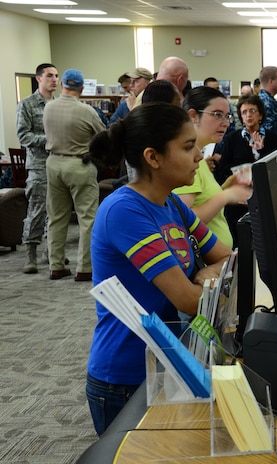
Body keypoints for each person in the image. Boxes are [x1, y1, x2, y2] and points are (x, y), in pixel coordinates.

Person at [86, 102, 233, 436]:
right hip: (127, 377)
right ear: (153, 157)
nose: (199, 155)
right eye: (187, 147)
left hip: (169, 361)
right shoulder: (125, 211)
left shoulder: (172, 205)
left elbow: (228, 259)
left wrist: (202, 276)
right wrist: (206, 281)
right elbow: (188, 301)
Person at [43, 69, 105, 281]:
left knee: (56, 217)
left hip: (53, 163)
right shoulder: (86, 111)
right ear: (81, 88)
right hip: (79, 164)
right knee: (87, 218)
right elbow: (102, 136)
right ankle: (84, 268)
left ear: (62, 85)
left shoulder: (48, 107)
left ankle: (56, 266)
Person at [172, 86, 252, 249]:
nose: (225, 123)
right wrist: (226, 196)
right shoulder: (186, 159)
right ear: (193, 116)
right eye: (217, 115)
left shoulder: (199, 157)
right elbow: (182, 221)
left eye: (227, 116)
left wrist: (226, 187)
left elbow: (203, 200)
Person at [214, 94, 277, 241]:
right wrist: (242, 171)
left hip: (263, 194)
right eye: (244, 112)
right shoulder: (232, 138)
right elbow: (223, 167)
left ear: (260, 115)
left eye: (252, 111)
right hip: (238, 199)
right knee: (240, 238)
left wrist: (260, 152)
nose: (248, 115)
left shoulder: (272, 138)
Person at [16, 63, 58, 274]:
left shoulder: (59, 104)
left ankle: (51, 252)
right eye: (50, 75)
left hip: (59, 164)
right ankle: (30, 254)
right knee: (37, 211)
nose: (54, 79)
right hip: (39, 166)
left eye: (57, 76)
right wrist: (50, 139)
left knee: (56, 212)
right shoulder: (27, 104)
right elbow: (24, 136)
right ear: (39, 78)